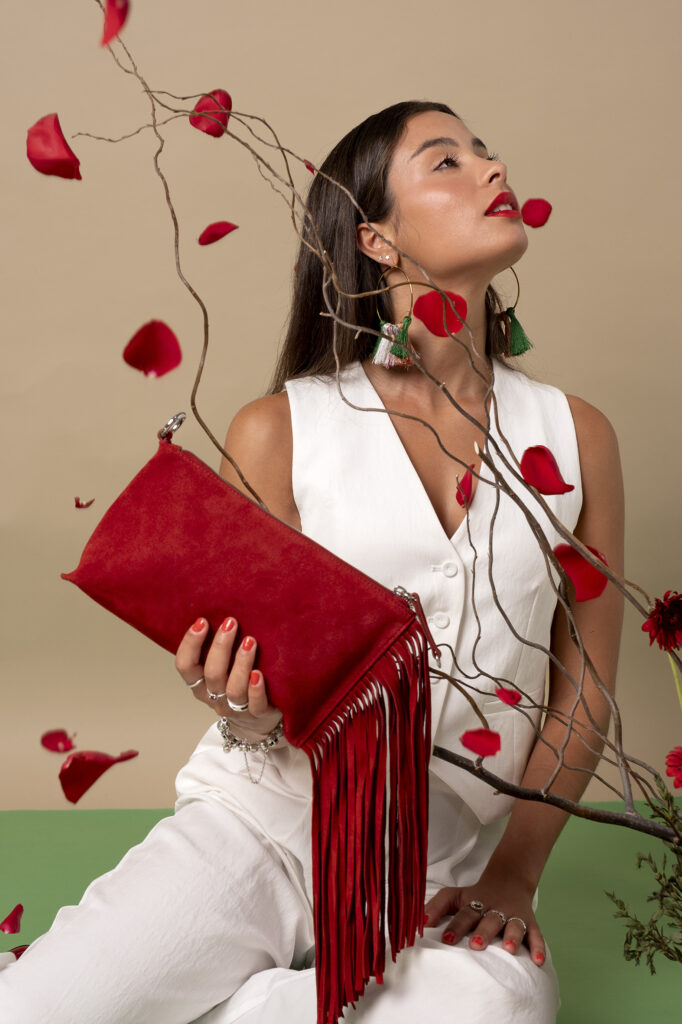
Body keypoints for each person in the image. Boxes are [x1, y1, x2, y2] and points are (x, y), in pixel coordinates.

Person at [0, 100, 624, 1024]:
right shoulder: (280, 430)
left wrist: (514, 873)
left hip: (437, 882)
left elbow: (586, 690)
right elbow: (259, 695)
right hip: (259, 828)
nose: (492, 170)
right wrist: (238, 709)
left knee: (497, 1008)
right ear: (375, 239)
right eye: (447, 161)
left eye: (488, 152)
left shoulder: (576, 438)